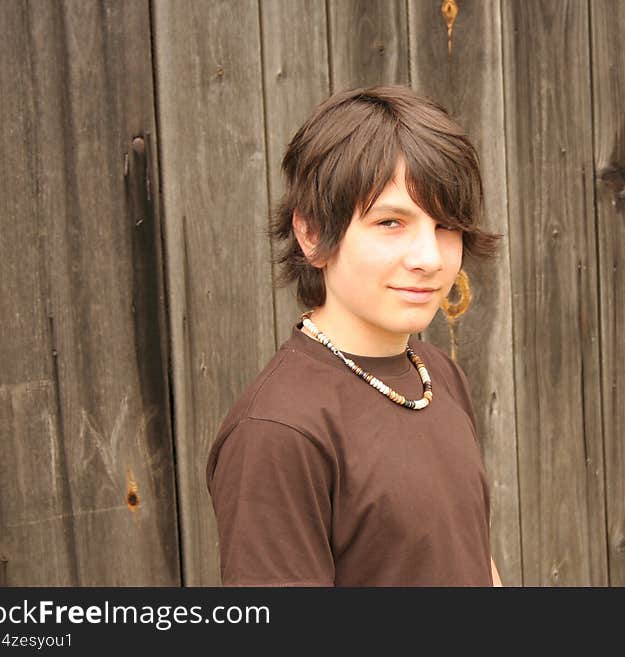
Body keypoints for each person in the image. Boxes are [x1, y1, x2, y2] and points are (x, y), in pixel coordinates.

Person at [205, 84, 504, 586]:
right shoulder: (279, 431)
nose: (429, 258)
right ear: (313, 232)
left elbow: (473, 560)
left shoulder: (438, 374)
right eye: (391, 222)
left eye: (445, 226)